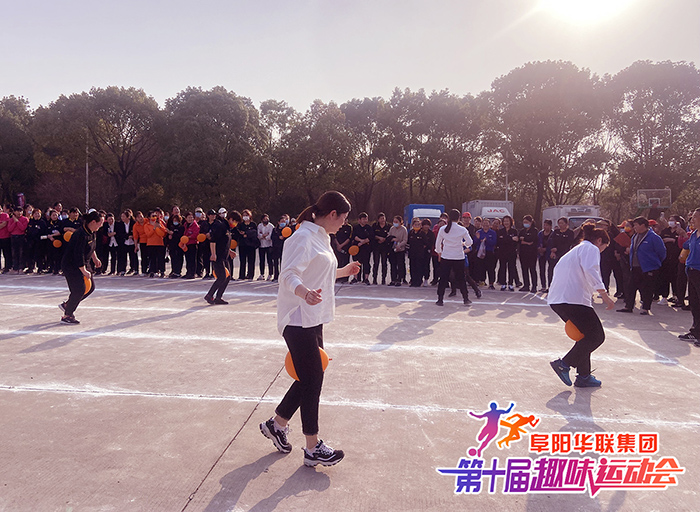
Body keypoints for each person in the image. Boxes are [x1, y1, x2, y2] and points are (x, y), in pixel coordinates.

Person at [260, 190, 360, 467]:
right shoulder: (302, 237)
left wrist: (345, 271)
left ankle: (277, 424)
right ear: (332, 214)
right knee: (313, 379)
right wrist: (304, 293)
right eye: (343, 218)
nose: (345, 223)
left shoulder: (321, 236)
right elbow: (288, 275)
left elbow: (320, 272)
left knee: (311, 375)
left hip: (313, 317)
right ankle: (312, 447)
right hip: (297, 318)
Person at [548, 223, 616, 388]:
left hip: (558, 300)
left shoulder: (575, 250)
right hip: (573, 300)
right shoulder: (591, 248)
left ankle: (584, 376)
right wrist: (604, 295)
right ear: (599, 241)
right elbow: (591, 270)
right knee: (596, 337)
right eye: (604, 247)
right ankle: (564, 364)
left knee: (585, 336)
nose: (602, 251)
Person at [59, 211, 105, 324]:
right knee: (79, 290)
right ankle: (67, 315)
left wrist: (95, 258)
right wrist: (83, 270)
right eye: (100, 223)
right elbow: (77, 254)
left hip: (84, 262)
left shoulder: (92, 232)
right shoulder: (80, 234)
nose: (101, 225)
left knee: (90, 288)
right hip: (71, 265)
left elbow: (91, 247)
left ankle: (68, 305)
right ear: (93, 222)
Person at [617, 217, 666, 315]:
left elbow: (662, 252)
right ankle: (628, 306)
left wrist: (654, 262)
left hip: (648, 267)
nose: (634, 227)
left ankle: (645, 308)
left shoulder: (654, 237)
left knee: (647, 288)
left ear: (643, 225)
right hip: (635, 266)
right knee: (630, 287)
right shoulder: (635, 236)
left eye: (636, 225)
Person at [435, 209, 472, 306]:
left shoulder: (443, 229)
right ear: (459, 218)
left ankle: (440, 299)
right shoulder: (462, 229)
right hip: (458, 257)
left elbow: (437, 243)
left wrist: (439, 252)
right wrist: (463, 244)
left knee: (443, 278)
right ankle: (465, 298)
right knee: (461, 278)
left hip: (446, 256)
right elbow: (470, 242)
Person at [679, 208, 700, 345]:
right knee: (695, 303)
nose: (692, 220)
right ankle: (695, 332)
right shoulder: (693, 235)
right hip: (692, 271)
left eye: (695, 217)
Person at [204, 212, 235, 305]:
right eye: (235, 221)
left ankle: (218, 297)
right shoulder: (221, 226)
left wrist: (229, 251)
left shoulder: (228, 228)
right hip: (218, 256)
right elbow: (213, 241)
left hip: (225, 255)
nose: (235, 223)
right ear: (231, 219)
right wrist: (213, 254)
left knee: (227, 277)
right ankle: (209, 295)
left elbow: (223, 242)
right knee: (222, 277)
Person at [548, 217, 575, 287]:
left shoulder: (570, 233)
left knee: (563, 272)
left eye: (562, 223)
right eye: (559, 223)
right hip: (554, 254)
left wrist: (557, 249)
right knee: (551, 270)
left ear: (566, 224)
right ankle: (551, 286)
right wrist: (552, 251)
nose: (560, 225)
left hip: (564, 254)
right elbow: (551, 241)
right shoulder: (556, 232)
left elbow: (568, 244)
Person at [496, 215, 520, 291]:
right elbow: (499, 242)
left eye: (507, 221)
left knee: (511, 268)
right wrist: (510, 239)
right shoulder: (500, 231)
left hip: (512, 252)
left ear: (511, 222)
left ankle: (510, 284)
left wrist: (506, 239)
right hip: (502, 253)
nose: (506, 223)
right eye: (505, 221)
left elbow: (516, 241)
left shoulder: (514, 231)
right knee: (502, 267)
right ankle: (503, 283)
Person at [474, 218, 497, 289]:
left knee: (491, 268)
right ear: (482, 224)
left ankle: (491, 283)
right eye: (484, 224)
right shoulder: (478, 232)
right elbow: (474, 242)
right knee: (480, 267)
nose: (485, 225)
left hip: (489, 252)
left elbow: (494, 242)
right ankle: (482, 281)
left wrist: (486, 240)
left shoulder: (492, 232)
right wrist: (478, 239)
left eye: (487, 224)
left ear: (489, 225)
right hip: (480, 252)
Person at [351, 212, 374, 284]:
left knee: (366, 263)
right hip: (357, 248)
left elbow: (371, 237)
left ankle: (366, 278)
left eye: (366, 219)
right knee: (356, 262)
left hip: (366, 248)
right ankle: (355, 278)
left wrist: (363, 242)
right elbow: (354, 236)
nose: (365, 220)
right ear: (359, 220)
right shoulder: (355, 227)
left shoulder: (369, 228)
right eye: (363, 219)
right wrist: (360, 241)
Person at [518, 215, 539, 293]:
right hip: (523, 253)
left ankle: (534, 286)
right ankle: (526, 285)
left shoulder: (535, 231)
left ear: (531, 222)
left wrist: (524, 240)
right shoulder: (522, 231)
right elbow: (519, 240)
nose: (525, 224)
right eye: (524, 222)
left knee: (532, 269)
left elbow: (532, 240)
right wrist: (526, 242)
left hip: (532, 253)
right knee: (524, 269)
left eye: (527, 222)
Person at [7, 206, 29, 274]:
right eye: (17, 211)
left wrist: (17, 221)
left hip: (21, 236)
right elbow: (9, 229)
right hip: (14, 236)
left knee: (22, 253)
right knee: (14, 253)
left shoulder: (25, 219)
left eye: (20, 211)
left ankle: (21, 268)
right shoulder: (11, 219)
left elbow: (23, 228)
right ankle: (15, 268)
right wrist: (14, 222)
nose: (19, 213)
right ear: (14, 212)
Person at [25, 208, 48, 273]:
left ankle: (40, 268)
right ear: (33, 214)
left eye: (38, 213)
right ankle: (30, 268)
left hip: (39, 241)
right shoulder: (30, 221)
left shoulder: (42, 222)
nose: (37, 215)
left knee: (39, 256)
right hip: (31, 241)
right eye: (35, 214)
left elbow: (44, 232)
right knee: (30, 255)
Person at [237, 209, 258, 280]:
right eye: (244, 215)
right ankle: (241, 275)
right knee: (242, 261)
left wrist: (246, 234)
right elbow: (238, 233)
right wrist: (242, 234)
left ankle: (250, 275)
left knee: (251, 261)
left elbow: (255, 232)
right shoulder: (240, 225)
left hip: (251, 245)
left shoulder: (253, 224)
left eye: (247, 215)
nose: (245, 217)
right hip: (242, 245)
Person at [407, 217, 428, 287]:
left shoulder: (422, 233)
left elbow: (425, 244)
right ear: (413, 225)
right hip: (412, 253)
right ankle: (413, 281)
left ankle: (418, 281)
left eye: (418, 225)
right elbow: (408, 242)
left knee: (419, 267)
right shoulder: (411, 233)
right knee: (412, 268)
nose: (417, 226)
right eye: (415, 225)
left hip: (419, 254)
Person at [371, 213, 391, 285]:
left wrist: (384, 239)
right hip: (376, 247)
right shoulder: (375, 225)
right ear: (378, 219)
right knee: (376, 263)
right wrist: (379, 238)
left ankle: (383, 278)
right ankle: (374, 278)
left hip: (385, 247)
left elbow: (390, 235)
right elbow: (372, 235)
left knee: (384, 263)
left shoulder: (388, 226)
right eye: (381, 218)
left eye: (384, 218)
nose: (383, 220)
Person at [388, 215, 408, 286]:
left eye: (396, 222)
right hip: (393, 249)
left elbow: (405, 240)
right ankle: (393, 279)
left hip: (400, 249)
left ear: (400, 222)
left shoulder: (404, 229)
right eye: (394, 221)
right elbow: (389, 236)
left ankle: (399, 279)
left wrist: (399, 245)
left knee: (400, 265)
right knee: (393, 264)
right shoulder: (392, 228)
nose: (395, 223)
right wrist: (392, 239)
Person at [182, 212, 201, 279]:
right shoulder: (185, 224)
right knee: (188, 259)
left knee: (192, 259)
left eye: (191, 217)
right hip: (186, 244)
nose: (190, 219)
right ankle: (188, 272)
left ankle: (192, 273)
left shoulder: (195, 225)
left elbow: (196, 234)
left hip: (193, 244)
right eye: (189, 217)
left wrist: (189, 237)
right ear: (186, 218)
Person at [538, 220, 554, 292]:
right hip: (541, 254)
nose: (545, 227)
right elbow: (537, 242)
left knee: (550, 271)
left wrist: (546, 249)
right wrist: (539, 249)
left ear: (550, 226)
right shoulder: (540, 233)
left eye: (547, 225)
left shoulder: (553, 234)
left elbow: (553, 244)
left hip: (549, 253)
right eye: (544, 225)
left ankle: (550, 286)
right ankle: (543, 286)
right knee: (542, 270)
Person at [257, 213, 274, 280]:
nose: (266, 220)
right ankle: (262, 274)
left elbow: (270, 236)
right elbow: (258, 235)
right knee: (261, 260)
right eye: (264, 219)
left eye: (267, 219)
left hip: (269, 245)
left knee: (269, 260)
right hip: (261, 245)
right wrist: (263, 235)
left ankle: (270, 274)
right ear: (262, 220)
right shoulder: (259, 226)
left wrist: (264, 236)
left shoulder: (271, 226)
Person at [133, 211, 149, 276]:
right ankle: (144, 271)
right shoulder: (135, 226)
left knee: (151, 256)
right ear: (136, 218)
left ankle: (152, 270)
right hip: (142, 242)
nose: (141, 218)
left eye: (141, 216)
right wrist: (136, 246)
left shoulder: (147, 221)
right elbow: (135, 237)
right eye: (139, 217)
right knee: (144, 257)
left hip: (150, 241)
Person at [0, 204, 12, 273]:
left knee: (6, 253)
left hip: (5, 237)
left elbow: (4, 224)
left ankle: (7, 267)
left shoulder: (5, 215)